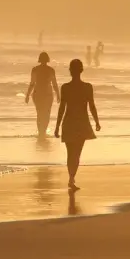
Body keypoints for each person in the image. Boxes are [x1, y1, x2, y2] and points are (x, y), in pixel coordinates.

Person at [54, 59, 101, 191]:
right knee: (77, 153)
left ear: (70, 71)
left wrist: (57, 126)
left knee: (70, 153)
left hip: (68, 122)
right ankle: (71, 178)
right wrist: (97, 121)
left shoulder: (65, 87)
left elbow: (62, 108)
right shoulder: (87, 87)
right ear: (81, 70)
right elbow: (92, 106)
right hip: (82, 123)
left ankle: (71, 178)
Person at [25, 52, 60, 136]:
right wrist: (58, 95)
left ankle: (41, 132)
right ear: (47, 59)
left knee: (40, 114)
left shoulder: (35, 69)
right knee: (46, 114)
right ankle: (43, 132)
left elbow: (32, 83)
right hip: (47, 94)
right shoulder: (51, 70)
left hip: (38, 94)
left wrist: (28, 95)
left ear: (39, 59)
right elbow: (54, 84)